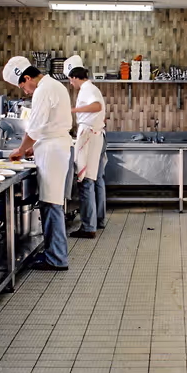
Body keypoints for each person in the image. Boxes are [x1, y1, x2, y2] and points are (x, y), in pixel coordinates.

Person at [3, 56, 73, 271]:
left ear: (27, 78)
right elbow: (49, 125)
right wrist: (33, 147)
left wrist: (20, 150)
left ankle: (57, 258)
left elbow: (34, 128)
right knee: (52, 203)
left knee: (51, 204)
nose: (25, 92)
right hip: (55, 147)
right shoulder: (55, 85)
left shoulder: (43, 90)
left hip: (53, 152)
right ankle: (55, 253)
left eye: (23, 87)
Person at [65, 57, 106, 238]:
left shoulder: (87, 89)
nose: (71, 83)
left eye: (70, 80)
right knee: (94, 179)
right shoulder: (92, 88)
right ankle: (97, 220)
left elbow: (97, 106)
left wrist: (73, 110)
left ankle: (88, 227)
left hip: (89, 137)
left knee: (85, 181)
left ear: (75, 77)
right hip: (95, 135)